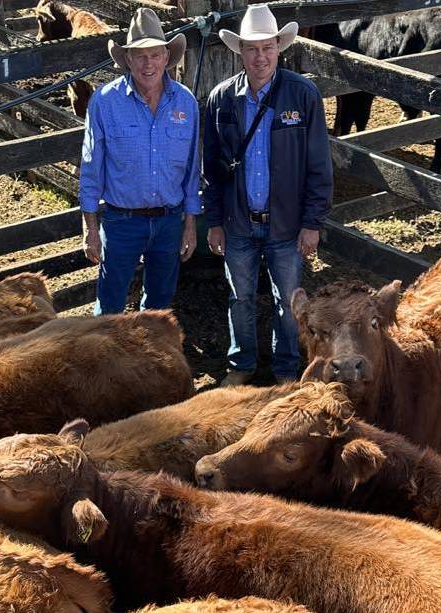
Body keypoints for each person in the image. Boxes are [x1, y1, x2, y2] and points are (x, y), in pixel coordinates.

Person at [202, 4, 333, 386]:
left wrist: (312, 223)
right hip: (239, 221)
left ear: (279, 46)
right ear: (240, 51)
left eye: (267, 48)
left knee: (289, 301)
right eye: (252, 49)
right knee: (239, 297)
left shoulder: (302, 95)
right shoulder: (222, 99)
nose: (260, 57)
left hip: (287, 223)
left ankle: (286, 370)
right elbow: (211, 168)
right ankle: (241, 364)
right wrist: (214, 221)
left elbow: (319, 165)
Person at [78, 8, 200, 315]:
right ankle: (104, 362)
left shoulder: (186, 102)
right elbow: (91, 168)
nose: (148, 64)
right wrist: (90, 228)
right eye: (140, 56)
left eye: (155, 55)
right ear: (128, 60)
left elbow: (191, 171)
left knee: (159, 304)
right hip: (121, 222)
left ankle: (146, 360)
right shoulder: (105, 101)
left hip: (169, 220)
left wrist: (189, 225)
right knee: (110, 306)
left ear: (166, 57)